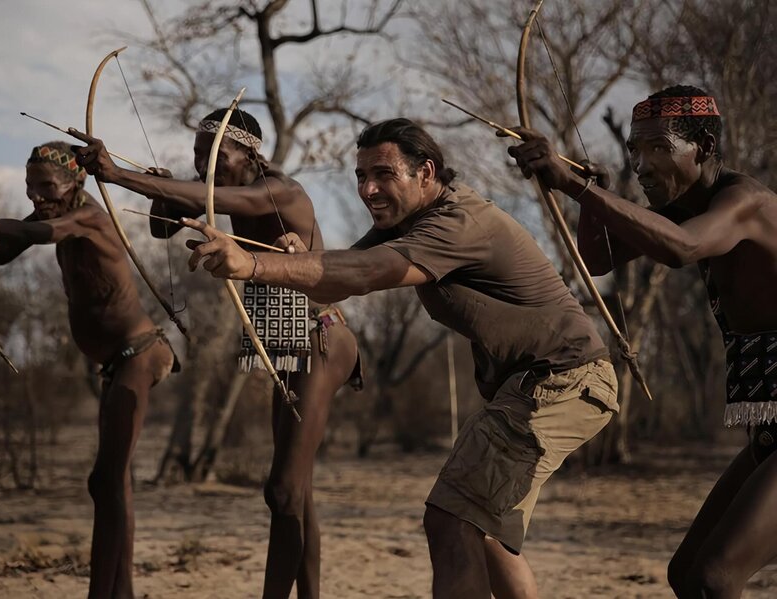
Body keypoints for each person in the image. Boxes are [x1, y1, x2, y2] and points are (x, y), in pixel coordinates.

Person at [176, 117, 619, 599]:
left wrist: (254, 263)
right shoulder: (407, 223)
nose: (368, 189)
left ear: (425, 173)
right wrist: (293, 260)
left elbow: (367, 271)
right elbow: (339, 276)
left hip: (560, 381)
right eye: (360, 177)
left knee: (452, 517)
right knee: (485, 530)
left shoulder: (453, 222)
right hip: (547, 384)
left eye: (383, 175)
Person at [71, 110, 361, 599]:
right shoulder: (224, 187)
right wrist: (162, 191)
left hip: (319, 338)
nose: (204, 165)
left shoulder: (279, 191)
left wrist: (121, 175)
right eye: (197, 155)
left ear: (249, 153)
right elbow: (165, 228)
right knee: (297, 494)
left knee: (283, 491)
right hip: (282, 342)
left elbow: (216, 199)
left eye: (215, 155)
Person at [507, 84, 777, 598]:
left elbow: (683, 249)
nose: (643, 164)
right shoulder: (685, 208)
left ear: (703, 147)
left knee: (714, 577)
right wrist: (585, 197)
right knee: (689, 574)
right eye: (634, 149)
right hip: (770, 426)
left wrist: (578, 188)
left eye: (658, 148)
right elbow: (598, 259)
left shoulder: (745, 202)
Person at [0, 141, 178, 599]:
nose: (35, 197)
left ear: (75, 182)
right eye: (30, 188)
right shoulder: (51, 211)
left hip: (139, 351)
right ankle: (117, 591)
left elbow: (38, 235)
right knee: (110, 481)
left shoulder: (85, 215)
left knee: (108, 479)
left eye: (45, 186)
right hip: (114, 361)